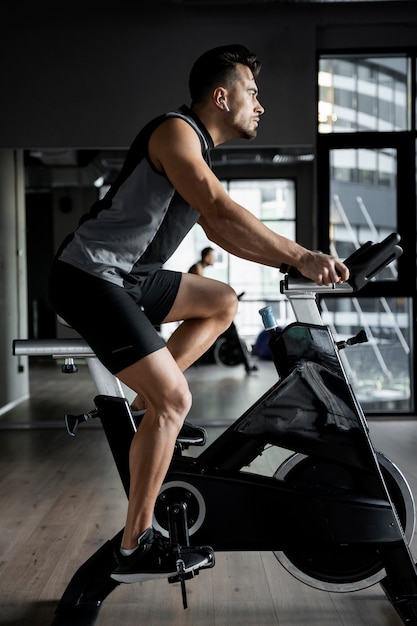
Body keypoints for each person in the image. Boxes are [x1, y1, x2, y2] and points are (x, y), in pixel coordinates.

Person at [47, 44, 349, 584]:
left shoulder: (199, 150)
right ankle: (134, 544)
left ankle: (146, 410)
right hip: (90, 276)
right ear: (221, 94)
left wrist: (293, 262)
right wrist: (302, 255)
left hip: (131, 278)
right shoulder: (176, 132)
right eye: (252, 93)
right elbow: (220, 209)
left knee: (222, 301)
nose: (260, 105)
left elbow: (222, 232)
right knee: (177, 401)